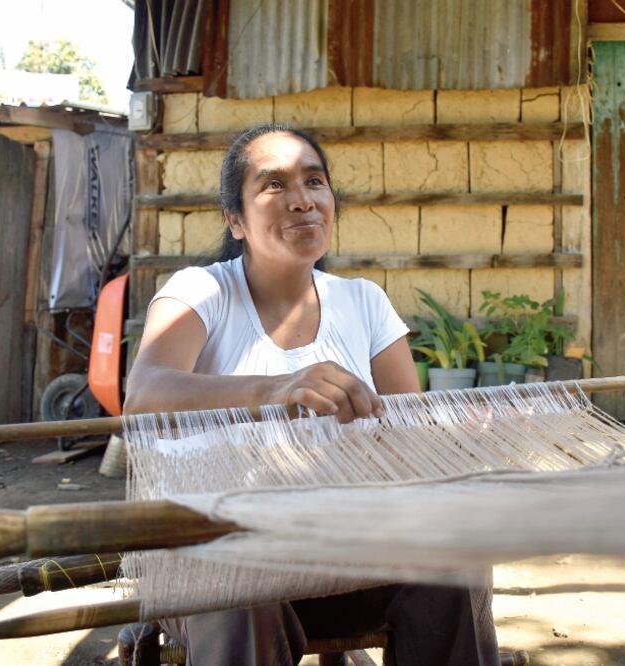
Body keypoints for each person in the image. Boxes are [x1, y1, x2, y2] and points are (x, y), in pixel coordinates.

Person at [124, 123, 498, 666]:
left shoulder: (363, 303)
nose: (302, 201)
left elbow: (412, 438)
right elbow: (145, 392)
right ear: (235, 220)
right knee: (239, 585)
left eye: (314, 181)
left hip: (344, 558)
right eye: (274, 186)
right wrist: (277, 389)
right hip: (219, 564)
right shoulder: (201, 291)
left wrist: (460, 439)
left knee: (457, 566)